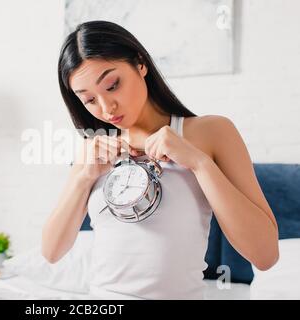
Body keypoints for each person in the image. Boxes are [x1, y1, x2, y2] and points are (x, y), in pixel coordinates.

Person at [42, 20, 279, 299]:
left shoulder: (211, 132)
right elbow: (51, 252)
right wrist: (83, 177)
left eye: (113, 84)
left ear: (140, 63)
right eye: (89, 100)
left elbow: (265, 255)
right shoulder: (94, 150)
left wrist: (200, 164)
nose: (106, 108)